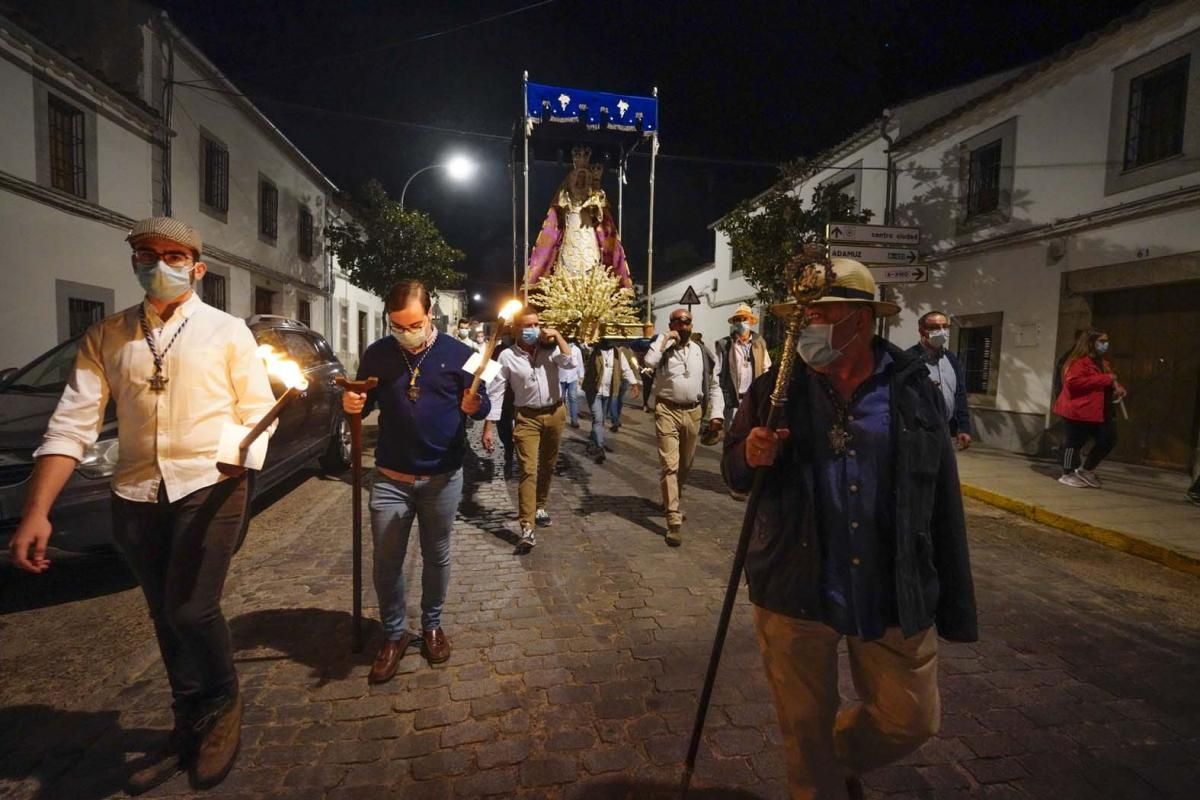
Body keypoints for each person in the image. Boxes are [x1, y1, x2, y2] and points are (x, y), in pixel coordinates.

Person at [8, 217, 278, 793]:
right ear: (133, 262)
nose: (158, 265)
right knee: (161, 610)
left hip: (213, 485)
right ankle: (188, 713)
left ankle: (223, 702)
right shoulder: (106, 336)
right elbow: (71, 425)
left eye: (172, 255)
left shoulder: (228, 332)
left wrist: (235, 453)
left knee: (192, 609)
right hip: (135, 494)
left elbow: (256, 411)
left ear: (196, 267)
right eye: (146, 254)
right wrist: (38, 510)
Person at [722, 257, 977, 800]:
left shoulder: (912, 389)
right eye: (803, 315)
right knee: (803, 728)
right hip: (794, 583)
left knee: (911, 718)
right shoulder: (776, 389)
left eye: (821, 314)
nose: (808, 325)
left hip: (890, 583)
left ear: (860, 321)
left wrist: (952, 596)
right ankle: (817, 776)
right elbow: (734, 473)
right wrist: (750, 451)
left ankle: (828, 762)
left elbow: (941, 498)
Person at [343, 281, 489, 684]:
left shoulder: (459, 355)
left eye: (414, 324)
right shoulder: (378, 354)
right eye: (397, 326)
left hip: (442, 476)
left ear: (431, 316)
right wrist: (352, 403)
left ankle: (431, 625)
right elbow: (365, 400)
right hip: (390, 476)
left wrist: (476, 405)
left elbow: (483, 402)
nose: (406, 333)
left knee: (436, 554)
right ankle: (393, 633)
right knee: (386, 561)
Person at [482, 312, 574, 549]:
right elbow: (496, 392)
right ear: (516, 330)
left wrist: (558, 336)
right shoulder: (506, 356)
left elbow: (570, 362)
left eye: (536, 325)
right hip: (526, 417)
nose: (533, 329)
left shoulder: (550, 350)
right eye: (527, 326)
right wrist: (488, 427)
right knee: (528, 470)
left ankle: (540, 506)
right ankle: (527, 526)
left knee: (548, 464)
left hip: (555, 413)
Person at [643, 308, 724, 546]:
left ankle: (672, 500)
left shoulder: (702, 350)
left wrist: (717, 415)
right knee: (670, 465)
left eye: (686, 321)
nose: (682, 325)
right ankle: (673, 519)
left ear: (692, 324)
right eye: (677, 322)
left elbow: (714, 384)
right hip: (666, 410)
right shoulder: (662, 346)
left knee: (685, 465)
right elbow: (648, 362)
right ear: (671, 325)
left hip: (694, 412)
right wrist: (665, 339)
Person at [1052, 329, 1126, 488]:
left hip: (1099, 409)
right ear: (1091, 343)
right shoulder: (1077, 361)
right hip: (1078, 409)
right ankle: (1067, 473)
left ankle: (1087, 469)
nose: (1105, 345)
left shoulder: (1103, 362)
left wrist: (1117, 388)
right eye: (1102, 341)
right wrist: (1105, 379)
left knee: (1109, 439)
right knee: (1074, 443)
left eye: (1106, 341)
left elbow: (1109, 381)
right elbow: (1073, 382)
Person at [906, 310, 971, 450]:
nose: (942, 331)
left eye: (945, 327)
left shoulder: (951, 359)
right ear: (922, 331)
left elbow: (960, 394)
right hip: (919, 434)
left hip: (947, 432)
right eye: (935, 327)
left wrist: (963, 427)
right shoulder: (908, 359)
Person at [581, 341, 640, 462]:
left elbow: (626, 369)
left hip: (608, 391)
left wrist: (634, 384)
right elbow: (586, 345)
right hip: (594, 391)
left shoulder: (618, 353)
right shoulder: (594, 350)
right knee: (598, 419)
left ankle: (593, 441)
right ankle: (600, 447)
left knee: (601, 420)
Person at [606, 344, 641, 432]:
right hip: (625, 379)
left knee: (614, 399)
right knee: (619, 400)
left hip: (616, 378)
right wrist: (634, 381)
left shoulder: (615, 350)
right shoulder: (629, 351)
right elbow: (634, 366)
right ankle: (616, 418)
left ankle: (615, 421)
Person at [559, 339, 585, 428]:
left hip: (572, 378)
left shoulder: (576, 350)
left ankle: (574, 420)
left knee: (573, 398)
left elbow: (580, 363)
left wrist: (581, 376)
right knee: (560, 399)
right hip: (561, 377)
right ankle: (560, 419)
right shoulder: (558, 348)